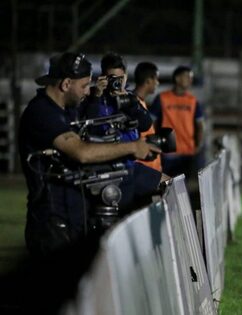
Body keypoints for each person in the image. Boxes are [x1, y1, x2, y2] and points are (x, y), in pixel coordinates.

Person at [18, 52, 159, 313]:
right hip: (51, 224)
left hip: (71, 220)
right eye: (84, 85)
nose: (88, 90)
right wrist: (131, 148)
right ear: (65, 84)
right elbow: (81, 152)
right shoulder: (42, 113)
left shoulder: (65, 110)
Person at [79, 52, 163, 212]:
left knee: (169, 185)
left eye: (120, 78)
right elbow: (89, 127)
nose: (116, 83)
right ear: (103, 77)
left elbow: (145, 124)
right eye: (112, 78)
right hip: (105, 168)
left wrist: (128, 101)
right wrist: (97, 95)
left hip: (131, 165)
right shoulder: (93, 98)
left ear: (125, 77)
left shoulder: (130, 98)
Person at [150, 65, 204, 178]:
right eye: (187, 77)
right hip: (168, 152)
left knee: (183, 188)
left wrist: (198, 145)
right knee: (166, 184)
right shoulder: (162, 98)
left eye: (191, 78)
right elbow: (152, 122)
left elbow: (200, 125)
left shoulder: (193, 101)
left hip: (187, 152)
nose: (190, 80)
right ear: (177, 78)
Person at [133, 61, 162, 172]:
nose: (157, 83)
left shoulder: (140, 102)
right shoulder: (133, 106)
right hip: (143, 171)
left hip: (149, 171)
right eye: (156, 79)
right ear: (149, 81)